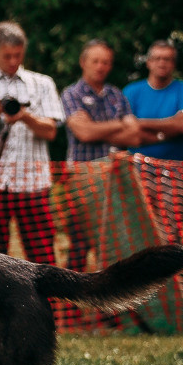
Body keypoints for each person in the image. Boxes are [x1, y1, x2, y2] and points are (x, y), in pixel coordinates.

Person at [0, 21, 64, 263]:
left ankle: (45, 291)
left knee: (43, 257)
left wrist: (25, 116)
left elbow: (51, 132)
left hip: (32, 183)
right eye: (7, 56)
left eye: (18, 55)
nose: (13, 61)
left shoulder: (43, 84)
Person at [60, 39, 140, 273]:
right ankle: (71, 293)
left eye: (105, 62)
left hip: (115, 179)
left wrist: (96, 128)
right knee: (79, 244)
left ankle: (112, 293)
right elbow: (84, 133)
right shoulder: (71, 94)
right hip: (82, 178)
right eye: (95, 61)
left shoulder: (116, 94)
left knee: (114, 241)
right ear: (83, 62)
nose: (100, 66)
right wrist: (119, 125)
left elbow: (134, 135)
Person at [123, 41, 183, 242]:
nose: (162, 63)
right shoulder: (132, 91)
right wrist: (166, 130)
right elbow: (129, 132)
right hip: (137, 170)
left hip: (173, 171)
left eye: (167, 59)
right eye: (157, 58)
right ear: (148, 62)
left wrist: (141, 123)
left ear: (174, 64)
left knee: (170, 232)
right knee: (138, 229)